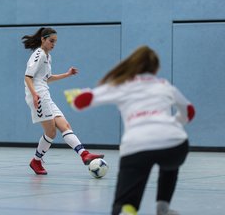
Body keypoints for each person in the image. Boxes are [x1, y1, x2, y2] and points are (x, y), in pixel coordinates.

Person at [65, 46, 195, 215]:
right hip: (176, 144)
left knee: (125, 201)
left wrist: (74, 97)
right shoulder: (164, 85)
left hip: (137, 144)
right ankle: (163, 207)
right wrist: (174, 123)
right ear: (155, 68)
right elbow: (189, 111)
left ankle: (127, 208)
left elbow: (83, 101)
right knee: (169, 163)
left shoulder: (121, 85)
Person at [22, 27, 104, 175]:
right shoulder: (38, 54)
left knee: (65, 125)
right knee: (51, 132)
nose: (53, 44)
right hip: (38, 95)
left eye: (55, 42)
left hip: (45, 94)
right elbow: (28, 76)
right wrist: (34, 94)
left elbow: (47, 78)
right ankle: (36, 161)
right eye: (51, 41)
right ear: (43, 39)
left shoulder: (48, 56)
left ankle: (84, 154)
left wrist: (67, 74)